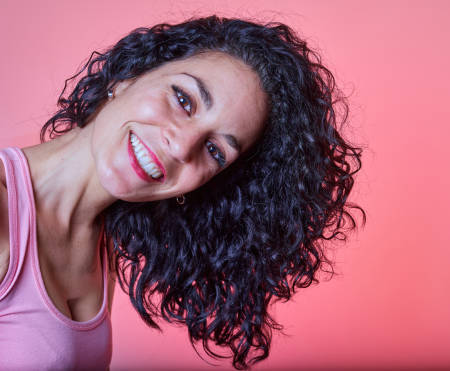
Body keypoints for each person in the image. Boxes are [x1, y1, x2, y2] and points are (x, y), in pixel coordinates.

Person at [0, 15, 363, 370]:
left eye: (215, 150)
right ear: (129, 76)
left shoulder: (98, 242)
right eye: (183, 99)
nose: (181, 147)